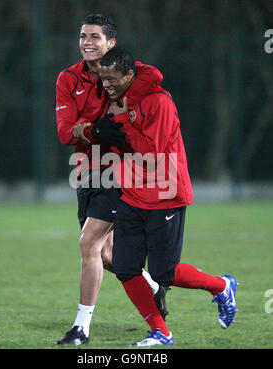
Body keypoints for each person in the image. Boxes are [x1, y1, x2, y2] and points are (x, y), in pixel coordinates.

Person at [97, 47, 238, 347]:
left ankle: (222, 286)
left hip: (165, 196)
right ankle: (161, 332)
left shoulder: (159, 102)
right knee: (125, 267)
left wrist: (119, 127)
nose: (105, 84)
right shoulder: (121, 100)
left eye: (110, 79)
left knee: (165, 272)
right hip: (132, 195)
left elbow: (153, 154)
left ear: (129, 75)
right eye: (102, 78)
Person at [55, 14, 169, 346]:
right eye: (82, 36)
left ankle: (81, 328)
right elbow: (65, 133)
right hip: (86, 170)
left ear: (110, 43)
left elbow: (155, 76)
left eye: (94, 37)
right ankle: (152, 286)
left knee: (87, 243)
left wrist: (85, 129)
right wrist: (95, 129)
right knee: (106, 255)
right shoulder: (67, 78)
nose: (86, 42)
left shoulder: (121, 72)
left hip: (117, 171)